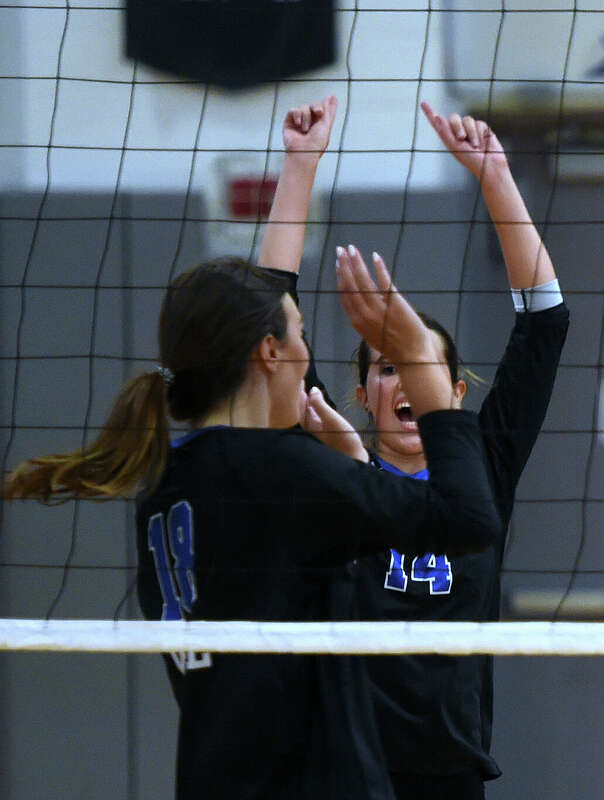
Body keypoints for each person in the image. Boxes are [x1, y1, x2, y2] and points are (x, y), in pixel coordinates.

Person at [4, 231, 502, 797]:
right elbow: (468, 519)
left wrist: (354, 470)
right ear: (270, 351)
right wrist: (415, 354)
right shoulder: (283, 474)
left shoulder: (163, 485)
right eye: (302, 335)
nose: (307, 355)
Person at [263, 95, 568, 798]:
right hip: (344, 761)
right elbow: (269, 328)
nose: (402, 379)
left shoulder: (482, 466)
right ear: (364, 391)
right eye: (387, 365)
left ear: (455, 393)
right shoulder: (327, 447)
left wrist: (495, 174)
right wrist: (299, 167)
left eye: (419, 365)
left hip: (451, 768)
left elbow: (546, 324)